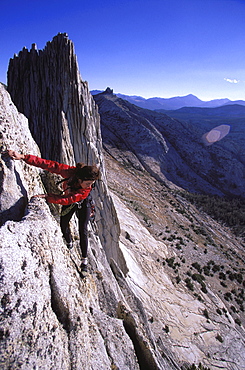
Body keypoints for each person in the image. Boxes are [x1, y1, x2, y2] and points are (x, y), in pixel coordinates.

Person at [7, 150, 100, 275]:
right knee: (63, 223)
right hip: (71, 200)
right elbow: (49, 165)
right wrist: (23, 157)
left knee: (83, 229)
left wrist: (47, 197)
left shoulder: (85, 191)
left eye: (92, 184)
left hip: (83, 203)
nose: (90, 186)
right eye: (88, 183)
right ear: (80, 179)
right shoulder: (71, 172)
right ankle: (69, 241)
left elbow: (67, 200)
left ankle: (84, 261)